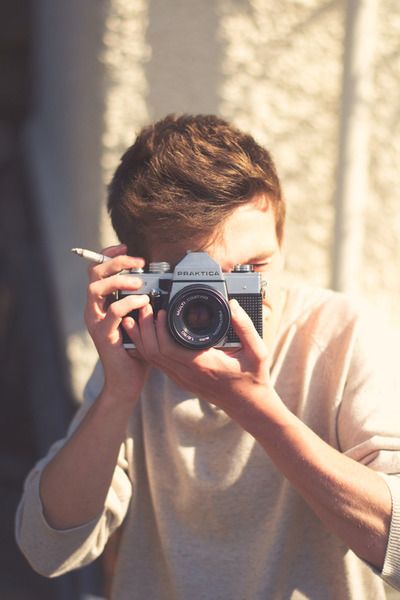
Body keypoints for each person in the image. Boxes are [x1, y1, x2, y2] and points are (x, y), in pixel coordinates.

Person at [15, 114, 400, 599]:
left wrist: (254, 406)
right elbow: (46, 549)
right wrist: (117, 394)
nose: (226, 303)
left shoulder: (343, 336)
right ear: (140, 272)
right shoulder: (143, 348)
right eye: (195, 281)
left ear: (281, 240)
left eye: (250, 269)